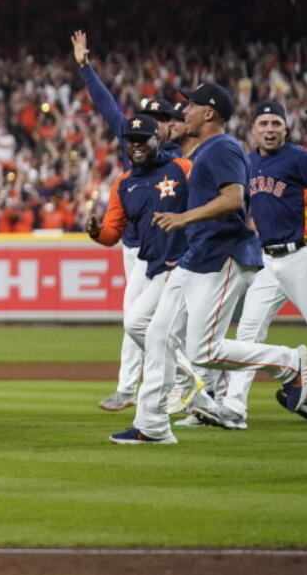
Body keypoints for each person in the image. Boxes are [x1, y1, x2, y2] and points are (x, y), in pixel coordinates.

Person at [110, 83, 307, 445]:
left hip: (224, 257)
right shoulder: (202, 149)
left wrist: (184, 219)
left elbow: (234, 199)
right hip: (195, 257)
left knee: (204, 350)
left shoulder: (223, 147)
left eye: (190, 105)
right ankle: (153, 426)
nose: (183, 110)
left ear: (209, 113)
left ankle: (288, 362)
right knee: (155, 334)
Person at [71, 31, 184, 412]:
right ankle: (134, 386)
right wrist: (86, 69)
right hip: (133, 245)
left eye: (160, 118)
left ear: (171, 125)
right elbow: (107, 107)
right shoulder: (133, 146)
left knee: (147, 321)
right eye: (147, 117)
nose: (150, 124)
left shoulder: (181, 161)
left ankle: (168, 382)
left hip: (172, 250)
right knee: (135, 319)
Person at [210, 101, 307, 429]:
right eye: (263, 123)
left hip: (305, 254)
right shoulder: (248, 163)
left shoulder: (300, 157)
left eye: (275, 124)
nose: (269, 129)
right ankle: (234, 407)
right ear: (252, 129)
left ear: (285, 128)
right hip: (268, 260)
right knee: (249, 332)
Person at [85, 114, 204, 416]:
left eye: (143, 139)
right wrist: (98, 232)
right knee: (146, 326)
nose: (136, 145)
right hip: (154, 266)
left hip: (185, 262)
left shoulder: (182, 168)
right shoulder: (123, 184)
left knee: (142, 324)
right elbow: (114, 233)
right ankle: (197, 392)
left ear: (157, 139)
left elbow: (208, 203)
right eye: (131, 140)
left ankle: (185, 380)